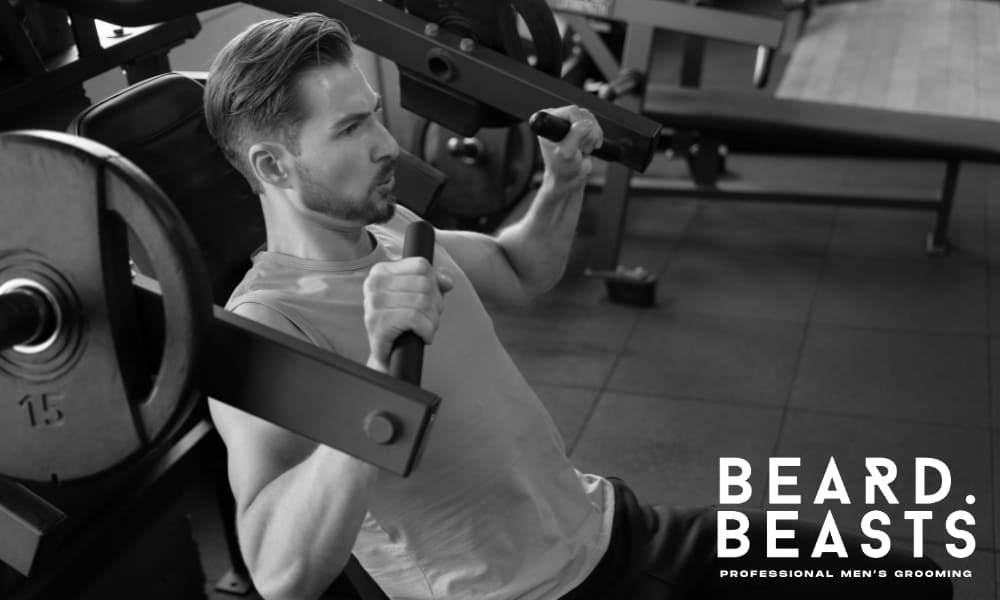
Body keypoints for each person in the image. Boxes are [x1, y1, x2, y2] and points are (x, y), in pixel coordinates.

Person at [203, 13, 954, 600]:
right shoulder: (266, 332)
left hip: (614, 529)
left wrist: (560, 183)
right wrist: (375, 373)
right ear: (272, 165)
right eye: (351, 128)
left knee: (906, 576)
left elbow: (518, 268)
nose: (387, 143)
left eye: (373, 114)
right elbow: (279, 574)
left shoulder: (391, 227)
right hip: (539, 594)